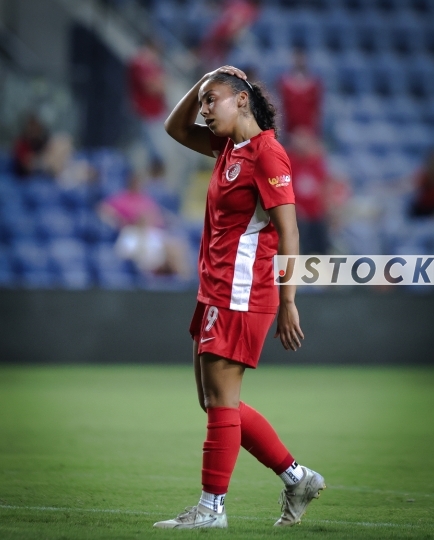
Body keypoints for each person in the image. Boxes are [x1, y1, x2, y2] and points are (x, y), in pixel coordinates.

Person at [153, 65, 325, 530]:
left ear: (242, 100)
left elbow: (290, 232)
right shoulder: (229, 147)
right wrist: (206, 79)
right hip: (215, 289)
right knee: (214, 401)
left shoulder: (268, 155)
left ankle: (212, 509)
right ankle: (298, 478)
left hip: (242, 291)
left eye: (213, 100)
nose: (205, 110)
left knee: (221, 401)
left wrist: (289, 300)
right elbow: (174, 128)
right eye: (203, 102)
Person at [285, 127, 330, 254]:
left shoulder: (316, 162)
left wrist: (326, 208)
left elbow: (323, 186)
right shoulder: (288, 161)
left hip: (316, 215)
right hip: (297, 216)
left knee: (322, 246)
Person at [127, 38, 168, 167]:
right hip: (144, 112)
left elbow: (165, 85)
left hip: (156, 112)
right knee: (147, 152)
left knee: (157, 152)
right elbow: (151, 87)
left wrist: (159, 84)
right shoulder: (138, 63)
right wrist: (158, 83)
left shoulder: (154, 64)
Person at [278, 48, 323, 140]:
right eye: (297, 58)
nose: (299, 61)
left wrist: (312, 133)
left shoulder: (314, 84)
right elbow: (280, 108)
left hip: (308, 133)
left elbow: (317, 110)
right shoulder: (283, 83)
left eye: (302, 58)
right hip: (289, 133)